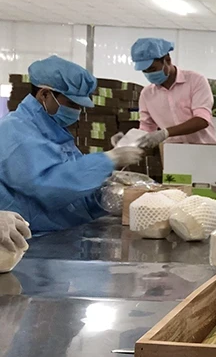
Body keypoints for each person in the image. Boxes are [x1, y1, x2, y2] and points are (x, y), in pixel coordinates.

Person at [0, 56, 144, 233]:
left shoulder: (54, 131)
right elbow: (49, 187)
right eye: (71, 103)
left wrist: (106, 194)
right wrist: (108, 159)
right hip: (31, 241)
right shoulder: (15, 131)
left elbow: (75, 187)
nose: (77, 111)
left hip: (63, 235)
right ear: (44, 94)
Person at [112, 38, 216, 148]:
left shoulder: (195, 81)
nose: (149, 74)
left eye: (152, 69)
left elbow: (202, 120)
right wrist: (127, 142)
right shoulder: (147, 94)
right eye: (145, 71)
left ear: (167, 60)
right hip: (173, 153)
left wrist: (165, 133)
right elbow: (146, 128)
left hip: (205, 150)